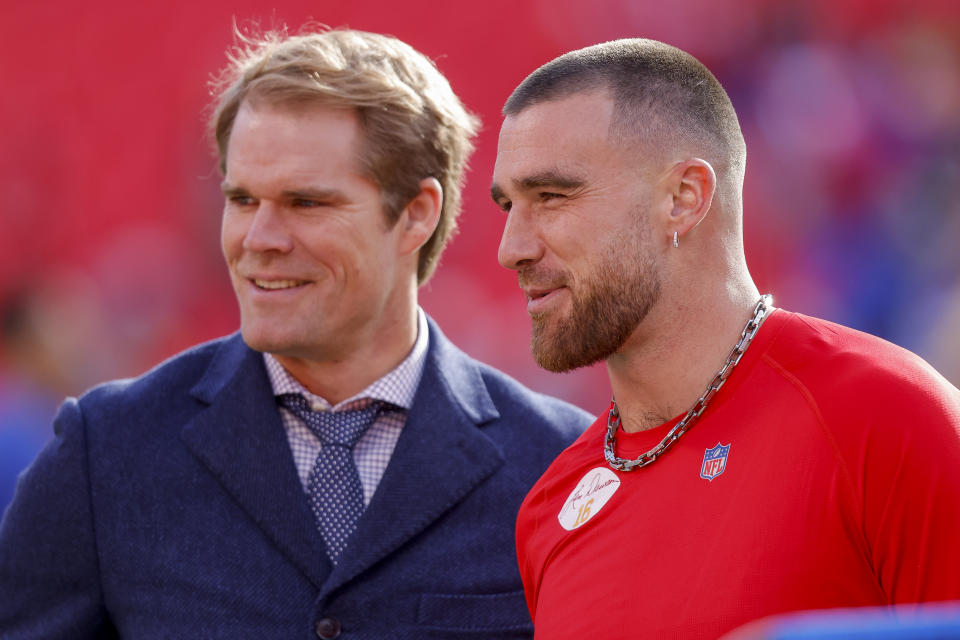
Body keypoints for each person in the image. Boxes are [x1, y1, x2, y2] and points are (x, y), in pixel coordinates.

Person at [0, 27, 592, 639]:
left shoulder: (558, 466)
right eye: (243, 200)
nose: (260, 239)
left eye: (306, 203)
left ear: (417, 212)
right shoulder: (107, 451)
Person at [491, 38, 960, 639]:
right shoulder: (550, 507)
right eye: (508, 205)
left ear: (684, 199)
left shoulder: (884, 417)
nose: (512, 249)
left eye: (551, 196)